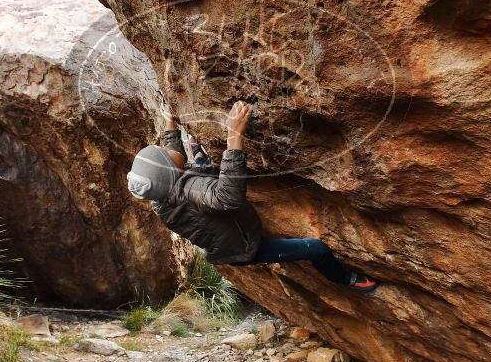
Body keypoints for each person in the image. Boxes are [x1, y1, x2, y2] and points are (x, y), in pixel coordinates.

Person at [126, 101, 380, 292]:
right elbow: (226, 198)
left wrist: (170, 124)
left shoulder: (162, 193)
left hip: (223, 230)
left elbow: (172, 157)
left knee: (199, 158)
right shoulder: (190, 189)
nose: (169, 150)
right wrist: (234, 136)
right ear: (174, 174)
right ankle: (344, 278)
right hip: (245, 247)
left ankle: (198, 152)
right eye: (166, 155)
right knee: (316, 248)